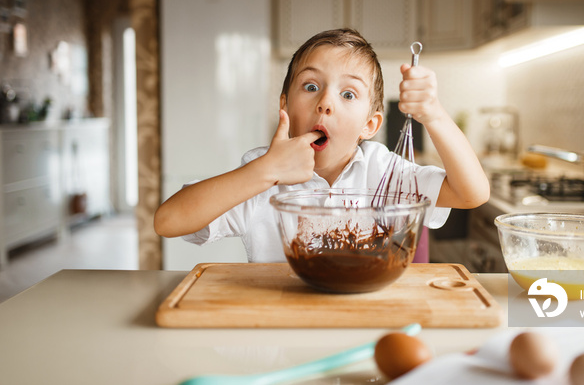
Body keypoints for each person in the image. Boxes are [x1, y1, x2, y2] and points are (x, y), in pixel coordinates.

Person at [154, 28, 489, 262]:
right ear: (284, 107)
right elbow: (168, 221)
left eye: (348, 94)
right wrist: (264, 171)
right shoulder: (261, 177)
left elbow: (471, 193)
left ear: (369, 126)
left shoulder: (384, 172)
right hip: (282, 328)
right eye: (311, 86)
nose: (326, 102)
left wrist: (434, 114)